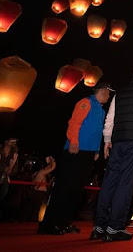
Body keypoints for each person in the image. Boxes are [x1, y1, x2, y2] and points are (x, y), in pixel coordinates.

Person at [91, 67, 133, 242]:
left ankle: (99, 227)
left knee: (109, 181)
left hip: (118, 140)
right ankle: (115, 228)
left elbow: (110, 118)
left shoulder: (119, 92)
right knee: (126, 182)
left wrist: (107, 140)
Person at [39, 82, 113, 235]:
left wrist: (96, 150)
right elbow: (74, 123)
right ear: (101, 91)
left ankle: (64, 222)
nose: (109, 95)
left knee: (76, 190)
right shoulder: (85, 102)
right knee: (63, 188)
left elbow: (97, 131)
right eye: (108, 92)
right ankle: (49, 224)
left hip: (88, 153)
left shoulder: (100, 109)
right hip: (75, 150)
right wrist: (73, 141)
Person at [30, 156, 56, 222]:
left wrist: (50, 164)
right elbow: (52, 168)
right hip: (39, 192)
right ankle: (33, 221)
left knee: (33, 207)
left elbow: (48, 168)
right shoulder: (41, 172)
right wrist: (52, 161)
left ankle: (30, 220)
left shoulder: (36, 173)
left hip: (35, 191)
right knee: (36, 208)